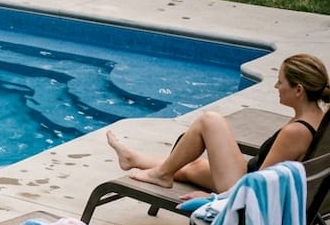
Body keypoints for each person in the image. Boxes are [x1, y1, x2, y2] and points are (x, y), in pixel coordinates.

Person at [106, 53, 327, 193]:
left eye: (280, 82)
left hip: (242, 189)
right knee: (190, 166)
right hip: (250, 177)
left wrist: (211, 200)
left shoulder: (296, 131)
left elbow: (259, 188)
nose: (276, 86)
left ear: (299, 90)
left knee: (210, 120)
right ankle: (134, 159)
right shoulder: (319, 118)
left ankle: (162, 175)